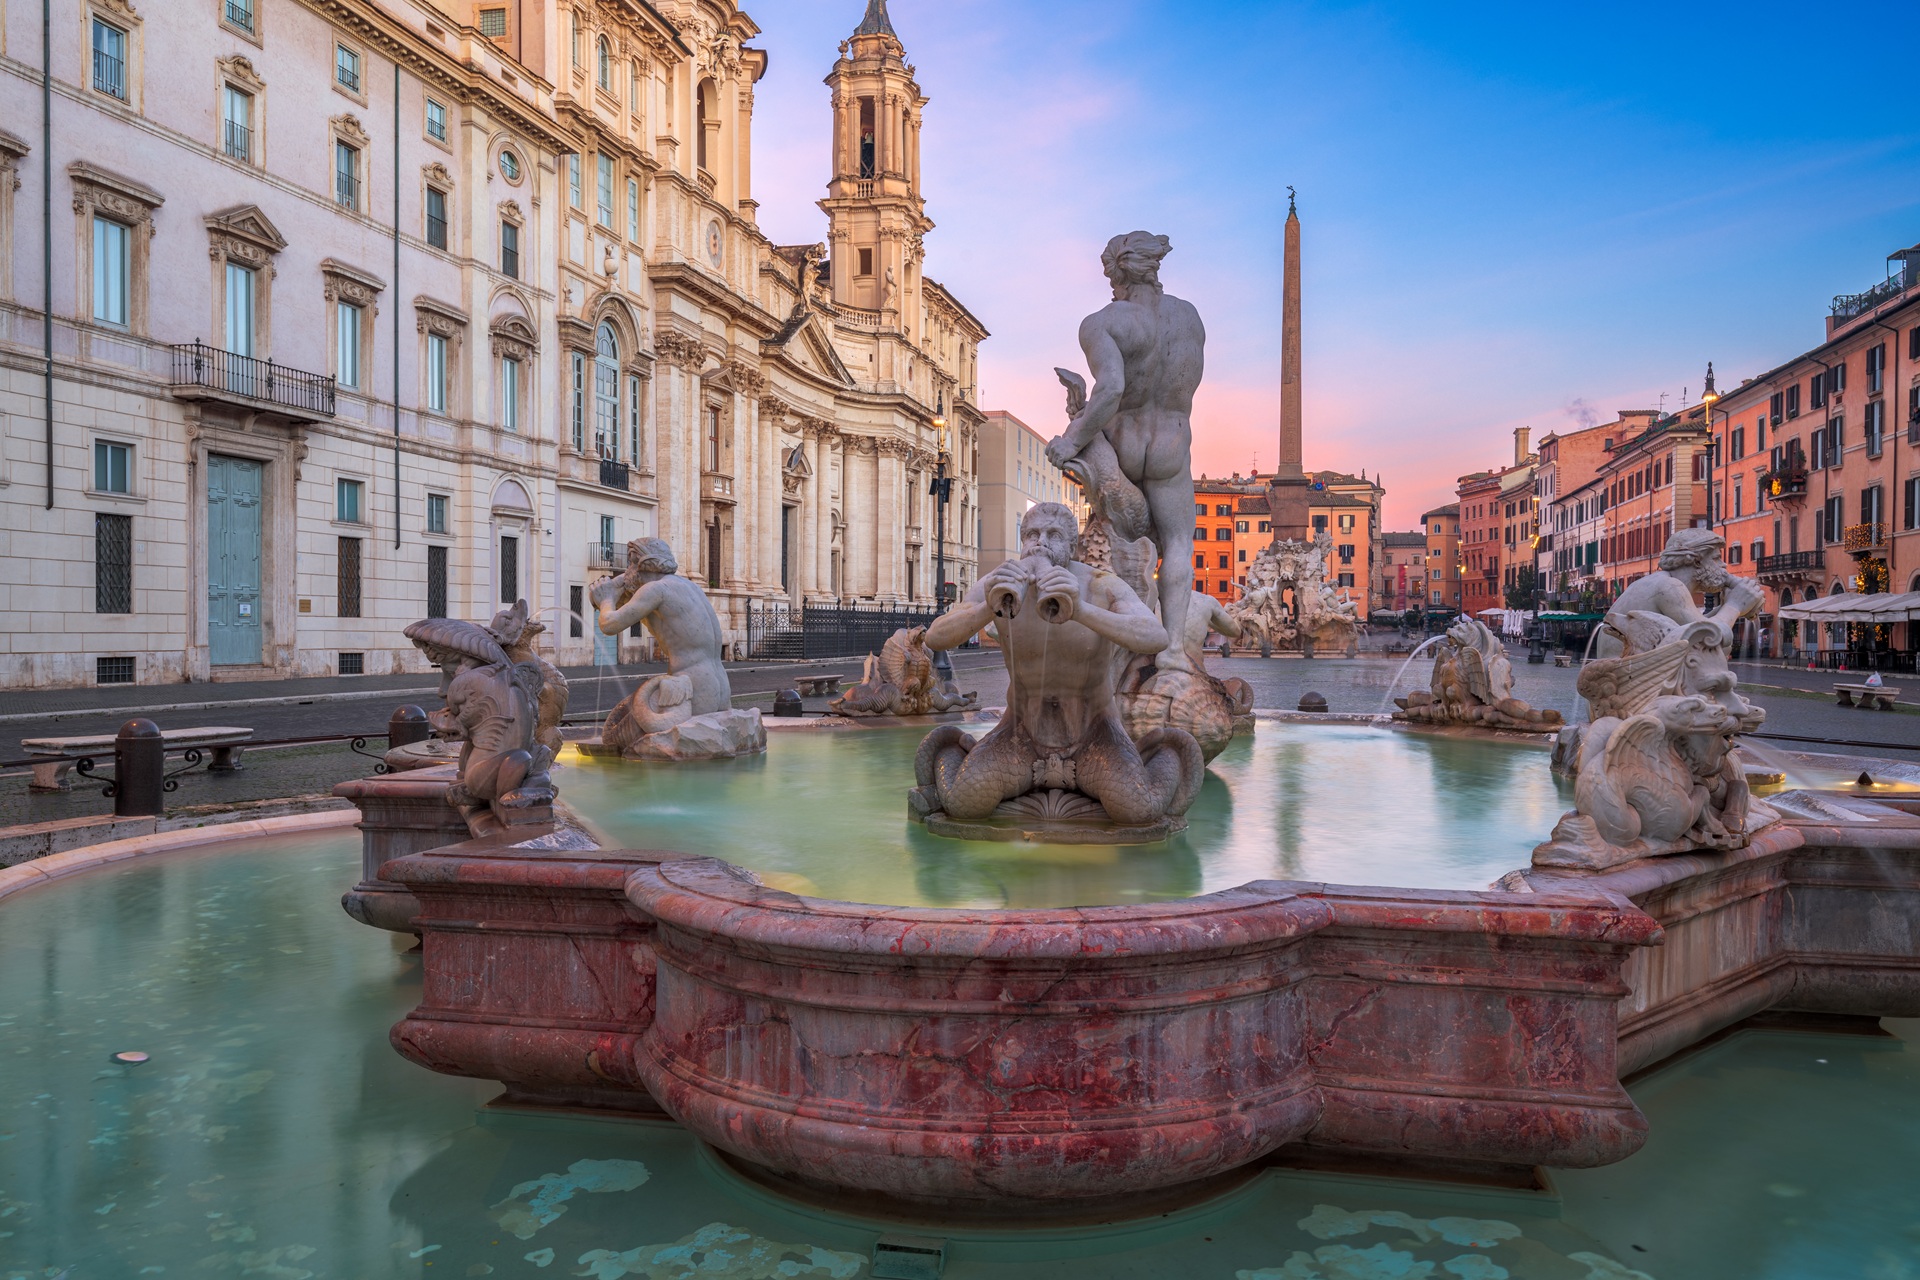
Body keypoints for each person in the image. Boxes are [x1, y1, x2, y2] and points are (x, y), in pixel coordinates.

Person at [918, 504, 1201, 824]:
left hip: (1094, 733)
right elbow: (936, 637)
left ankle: (1160, 753)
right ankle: (956, 749)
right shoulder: (997, 583)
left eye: (1053, 535)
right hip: (1021, 733)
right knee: (965, 802)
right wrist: (988, 607)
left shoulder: (1100, 584)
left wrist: (1080, 610)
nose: (1040, 543)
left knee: (1137, 809)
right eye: (1032, 535)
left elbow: (1155, 637)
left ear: (1072, 546)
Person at [1045, 232, 1204, 673]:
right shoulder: (1189, 319)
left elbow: (1112, 387)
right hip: (1172, 440)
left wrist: (1072, 439)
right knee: (1178, 543)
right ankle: (1173, 650)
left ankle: (1112, 651)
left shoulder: (1101, 322)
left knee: (1110, 546)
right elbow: (1186, 384)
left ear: (1116, 274)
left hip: (1123, 442)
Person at [589, 538, 730, 716]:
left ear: (642, 563)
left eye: (631, 562)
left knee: (629, 721)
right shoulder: (688, 586)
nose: (627, 570)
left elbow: (609, 625)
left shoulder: (655, 590)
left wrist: (606, 599)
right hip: (720, 687)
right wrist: (615, 586)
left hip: (691, 687)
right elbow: (617, 594)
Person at [1594, 527, 1761, 659]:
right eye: (1716, 558)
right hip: (1629, 682)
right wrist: (1734, 605)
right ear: (1696, 560)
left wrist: (1729, 607)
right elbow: (1710, 637)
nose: (1724, 565)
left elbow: (1693, 628)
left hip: (1624, 677)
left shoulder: (1660, 582)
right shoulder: (1670, 587)